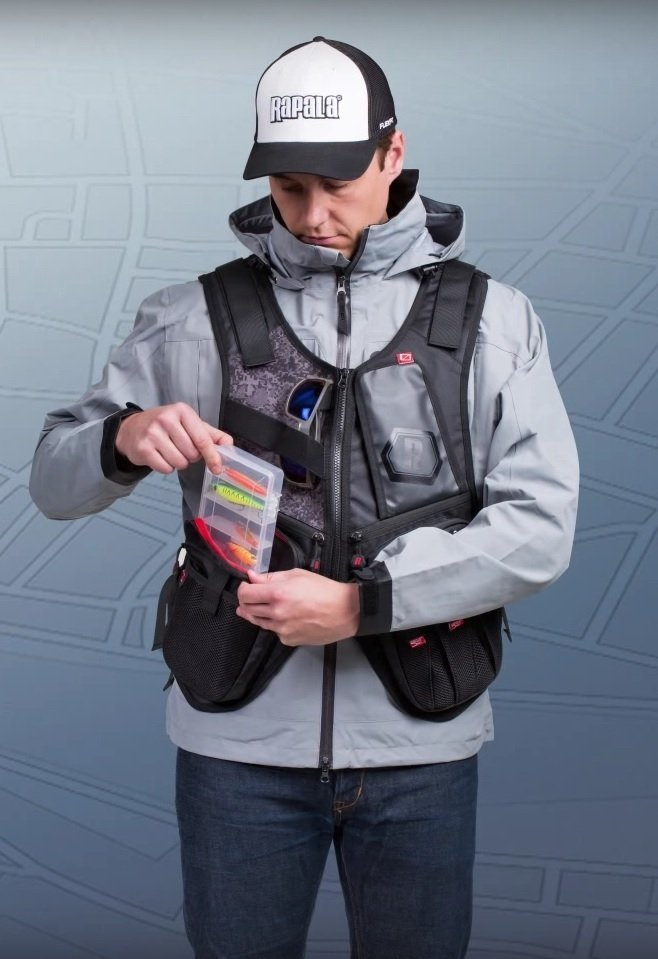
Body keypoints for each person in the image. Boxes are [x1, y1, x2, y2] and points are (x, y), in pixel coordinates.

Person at [29, 36, 579, 959]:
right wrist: (121, 439)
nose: (315, 214)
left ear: (393, 154)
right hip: (237, 756)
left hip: (419, 753)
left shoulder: (495, 322)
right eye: (289, 188)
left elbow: (540, 527)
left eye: (338, 183)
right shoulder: (188, 317)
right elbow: (51, 478)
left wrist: (363, 605)